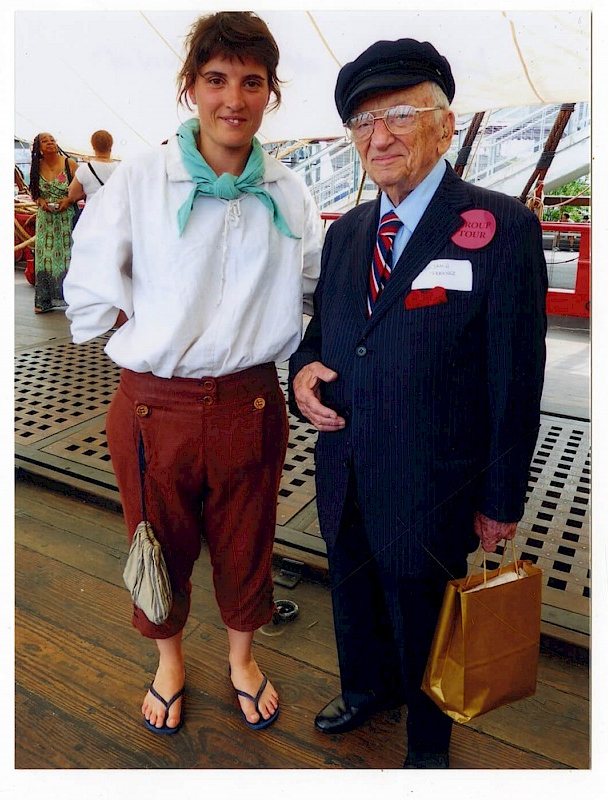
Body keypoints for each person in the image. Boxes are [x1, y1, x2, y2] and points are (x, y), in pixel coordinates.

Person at [288, 38, 547, 769]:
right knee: (352, 591)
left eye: (400, 114)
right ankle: (365, 689)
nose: (380, 136)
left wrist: (501, 498)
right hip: (345, 464)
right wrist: (301, 378)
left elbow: (516, 379)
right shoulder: (349, 235)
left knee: (424, 612)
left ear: (444, 125)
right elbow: (322, 339)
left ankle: (428, 748)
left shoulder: (501, 227)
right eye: (363, 122)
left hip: (435, 480)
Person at [64, 12, 321, 737]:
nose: (233, 99)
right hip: (154, 407)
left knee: (249, 537)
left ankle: (242, 659)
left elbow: (314, 281)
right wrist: (137, 322)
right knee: (157, 541)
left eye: (252, 82)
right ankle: (169, 662)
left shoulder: (289, 191)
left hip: (250, 399)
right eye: (216, 79)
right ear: (190, 87)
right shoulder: (142, 179)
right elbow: (89, 284)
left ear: (271, 92)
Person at [28, 133, 77, 312]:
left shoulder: (69, 163)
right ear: (39, 148)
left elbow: (82, 189)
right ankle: (43, 301)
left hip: (66, 217)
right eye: (45, 141)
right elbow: (34, 192)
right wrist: (41, 202)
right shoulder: (36, 167)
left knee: (69, 256)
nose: (50, 143)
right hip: (45, 219)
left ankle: (73, 299)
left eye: (52, 140)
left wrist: (68, 200)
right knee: (44, 258)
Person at [59, 129, 119, 215]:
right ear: (111, 145)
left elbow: (73, 194)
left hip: (93, 213)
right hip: (115, 212)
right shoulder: (120, 168)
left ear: (93, 146)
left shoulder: (84, 169)